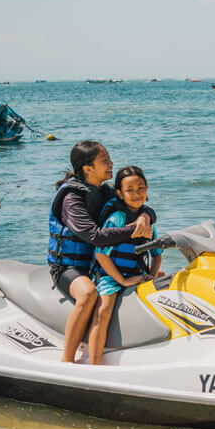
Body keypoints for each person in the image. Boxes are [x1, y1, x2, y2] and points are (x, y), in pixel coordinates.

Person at [48, 141, 154, 364]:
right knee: (87, 294)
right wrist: (135, 229)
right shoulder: (71, 198)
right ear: (88, 169)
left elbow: (135, 203)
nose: (111, 164)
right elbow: (94, 236)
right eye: (104, 160)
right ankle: (67, 360)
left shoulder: (104, 191)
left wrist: (146, 216)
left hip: (97, 267)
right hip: (69, 267)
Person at [90, 166, 163, 365]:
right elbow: (100, 254)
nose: (136, 194)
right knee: (103, 311)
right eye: (130, 190)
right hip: (111, 277)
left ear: (147, 190)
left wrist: (153, 275)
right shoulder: (116, 219)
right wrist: (122, 280)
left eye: (141, 188)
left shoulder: (148, 223)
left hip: (137, 273)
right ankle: (94, 365)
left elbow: (156, 253)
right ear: (120, 194)